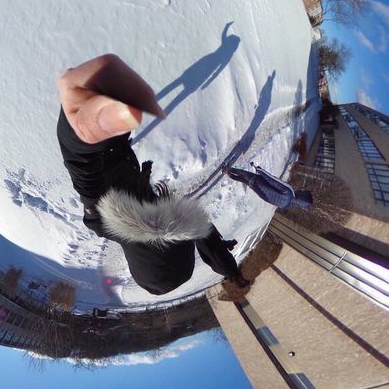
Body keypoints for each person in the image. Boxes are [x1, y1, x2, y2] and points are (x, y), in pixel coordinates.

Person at [57, 53, 250, 296]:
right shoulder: (108, 223)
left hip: (101, 129)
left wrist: (83, 133)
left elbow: (81, 164)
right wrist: (230, 270)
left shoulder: (101, 208)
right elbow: (206, 239)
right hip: (116, 129)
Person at [222, 164, 314, 210]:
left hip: (260, 182)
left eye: (303, 191)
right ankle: (229, 174)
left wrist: (260, 171)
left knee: (244, 174)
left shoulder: (289, 192)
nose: (301, 190)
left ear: (302, 195)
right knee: (244, 180)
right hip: (259, 192)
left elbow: (273, 180)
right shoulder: (285, 206)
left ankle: (227, 169)